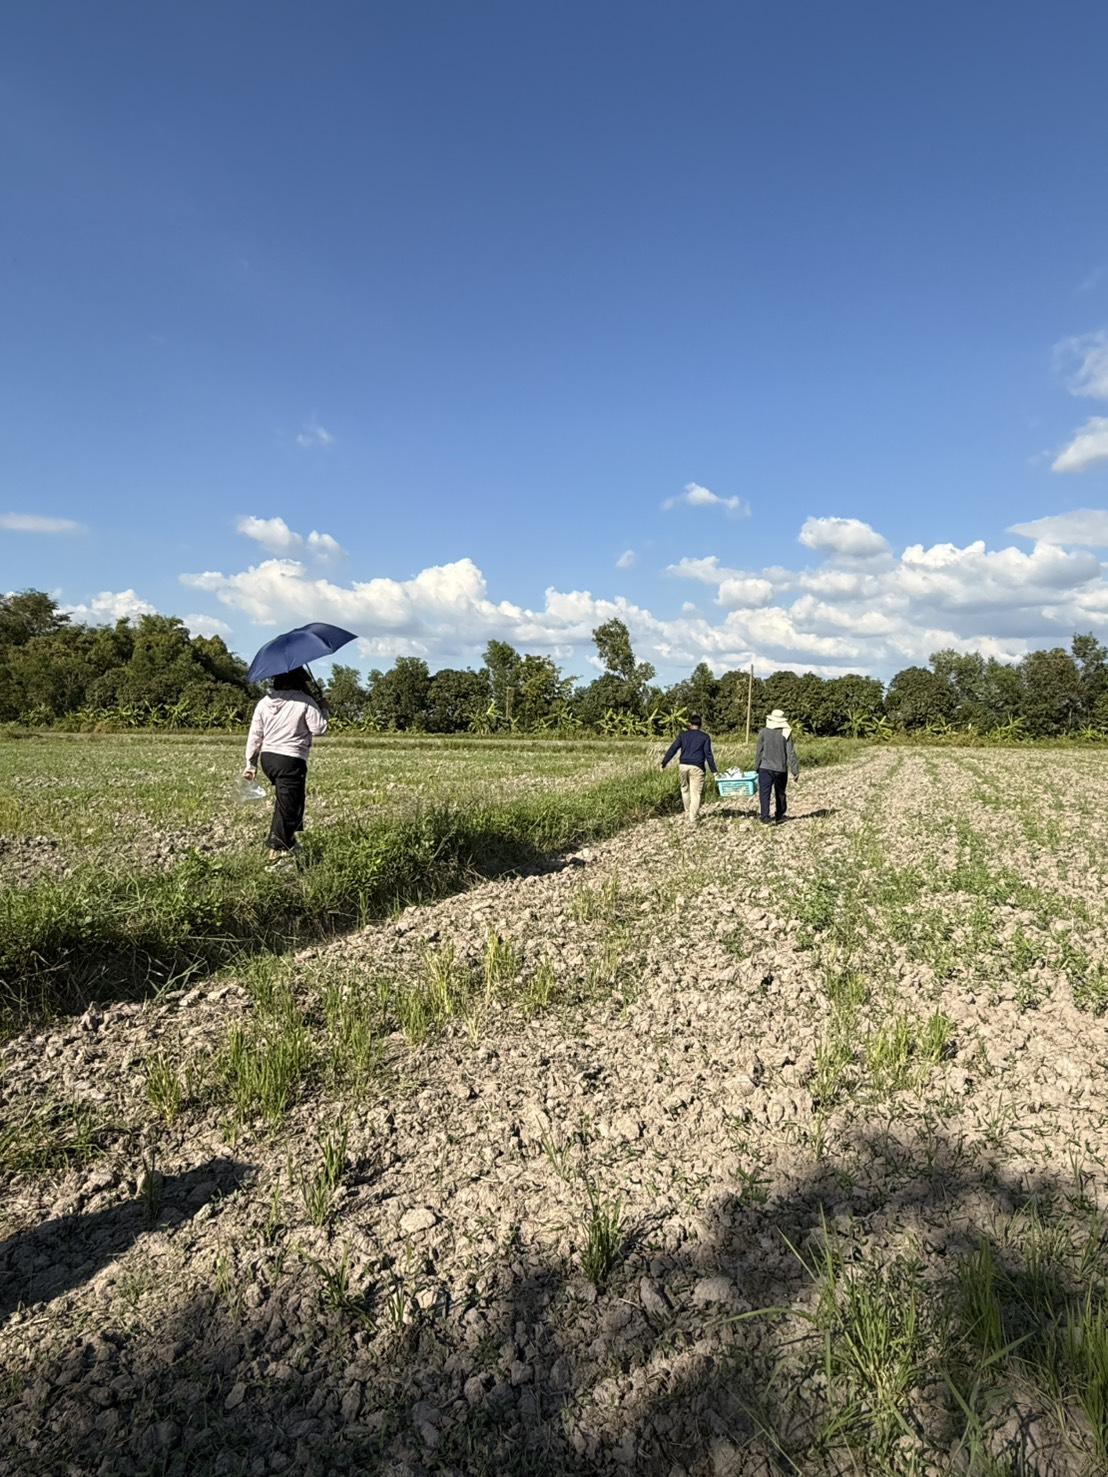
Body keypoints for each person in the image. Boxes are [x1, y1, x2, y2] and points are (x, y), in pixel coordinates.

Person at [243, 668, 329, 864]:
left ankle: (289, 843)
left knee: (290, 801)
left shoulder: (264, 702)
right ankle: (276, 851)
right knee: (289, 805)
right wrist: (323, 708)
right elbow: (319, 728)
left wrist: (251, 763)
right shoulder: (304, 701)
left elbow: (255, 735)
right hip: (290, 758)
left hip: (268, 759)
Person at [661, 714, 719, 825]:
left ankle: (688, 811)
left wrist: (664, 762)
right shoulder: (705, 737)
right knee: (695, 793)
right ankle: (692, 817)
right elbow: (708, 755)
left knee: (684, 789)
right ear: (700, 725)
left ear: (690, 724)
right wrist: (714, 771)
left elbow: (673, 748)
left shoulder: (683, 735)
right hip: (697, 767)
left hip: (683, 766)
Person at [754, 708, 799, 825]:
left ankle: (765, 817)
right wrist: (795, 770)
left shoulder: (763, 732)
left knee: (764, 793)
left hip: (765, 767)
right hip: (781, 768)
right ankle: (779, 815)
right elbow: (791, 753)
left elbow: (759, 751)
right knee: (780, 792)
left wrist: (756, 767)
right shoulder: (786, 733)